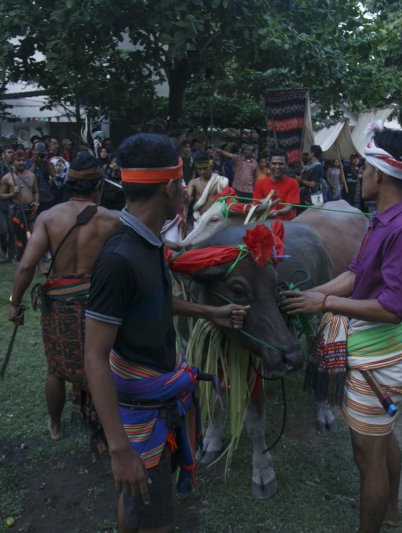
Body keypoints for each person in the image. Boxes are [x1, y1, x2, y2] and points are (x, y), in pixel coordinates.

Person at [83, 133, 247, 532]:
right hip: (139, 415)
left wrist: (210, 312)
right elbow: (93, 355)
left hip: (157, 398)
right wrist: (120, 448)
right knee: (157, 522)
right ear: (173, 187)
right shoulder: (120, 258)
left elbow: (154, 300)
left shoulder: (150, 242)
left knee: (136, 506)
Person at [279, 125, 402, 533]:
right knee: (381, 437)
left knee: (368, 457)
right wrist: (309, 296)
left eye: (364, 168)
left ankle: (377, 517)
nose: (359, 175)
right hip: (372, 346)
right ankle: (390, 509)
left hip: (379, 355)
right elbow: (357, 272)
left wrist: (324, 302)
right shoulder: (383, 219)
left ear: (379, 175)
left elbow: (394, 307)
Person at [9, 153, 121, 443]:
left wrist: (14, 304)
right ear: (99, 185)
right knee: (103, 363)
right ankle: (106, 427)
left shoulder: (48, 217)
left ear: (68, 184)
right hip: (100, 303)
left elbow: (25, 266)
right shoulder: (113, 220)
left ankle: (56, 424)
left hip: (60, 303)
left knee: (56, 369)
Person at [0, 150, 39, 261]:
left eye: (23, 160)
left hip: (30, 210)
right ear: (13, 162)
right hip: (16, 210)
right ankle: (20, 258)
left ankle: (38, 263)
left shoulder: (32, 175)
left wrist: (36, 202)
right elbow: (1, 195)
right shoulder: (7, 178)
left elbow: (35, 191)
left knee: (34, 236)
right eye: (18, 160)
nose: (21, 163)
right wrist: (13, 194)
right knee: (17, 236)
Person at [252, 150, 300, 220]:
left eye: (281, 164)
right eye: (274, 163)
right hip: (264, 223)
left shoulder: (293, 183)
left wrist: (277, 212)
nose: (277, 167)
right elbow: (256, 206)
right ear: (269, 164)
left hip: (285, 225)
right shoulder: (259, 183)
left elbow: (289, 207)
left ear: (286, 164)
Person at [185, 152, 228, 222]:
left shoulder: (221, 181)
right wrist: (185, 197)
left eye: (205, 168)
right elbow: (187, 198)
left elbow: (226, 202)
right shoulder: (193, 182)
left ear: (211, 166)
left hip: (215, 221)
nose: (202, 172)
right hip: (198, 219)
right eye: (199, 169)